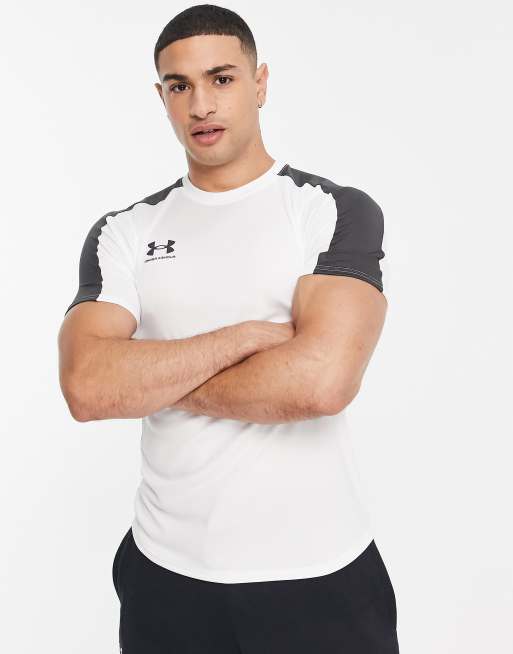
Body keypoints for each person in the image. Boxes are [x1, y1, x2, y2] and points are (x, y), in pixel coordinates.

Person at [58, 4, 398, 652]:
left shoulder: (330, 210)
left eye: (221, 78)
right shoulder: (123, 232)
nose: (201, 105)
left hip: (317, 573)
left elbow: (321, 383)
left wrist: (149, 378)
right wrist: (243, 339)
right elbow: (86, 387)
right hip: (165, 576)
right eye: (179, 85)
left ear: (259, 83)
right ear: (161, 97)